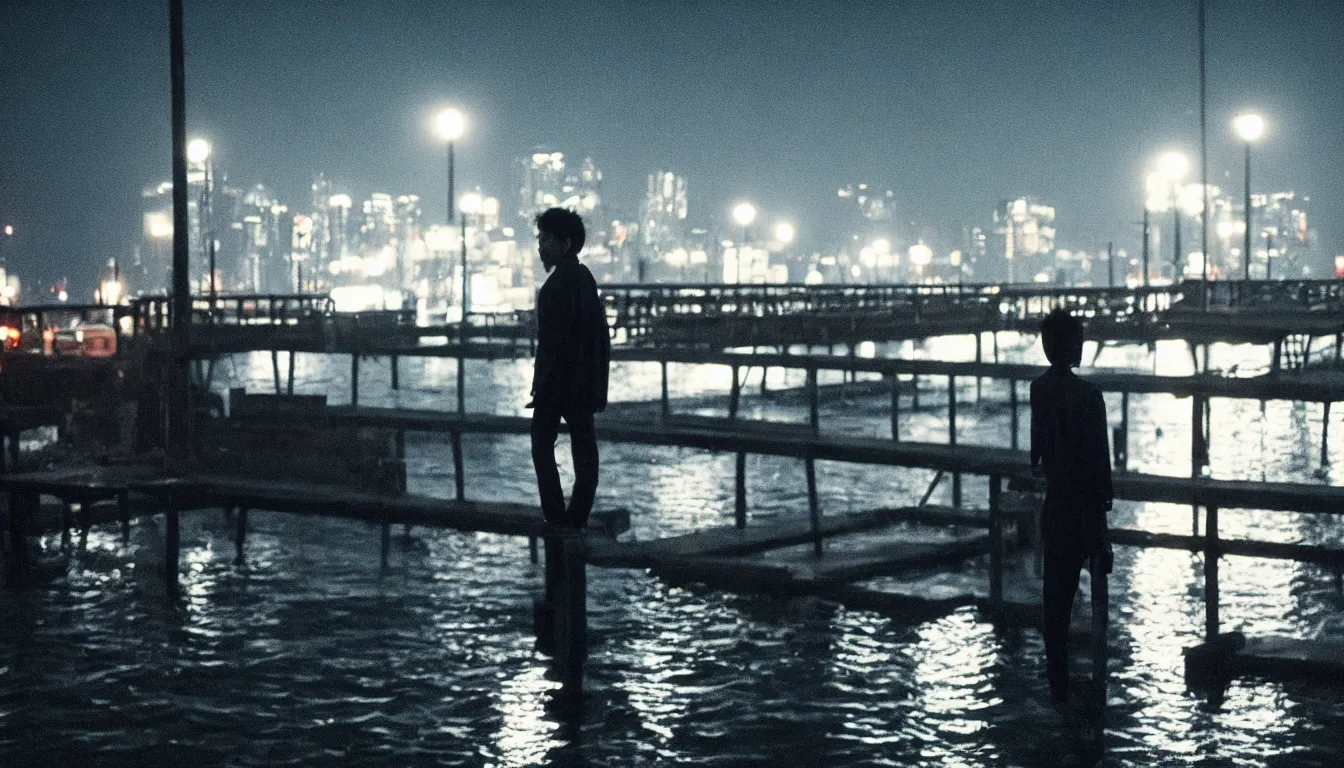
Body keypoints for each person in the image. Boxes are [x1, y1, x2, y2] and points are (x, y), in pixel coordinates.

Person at [1029, 308, 1113, 706]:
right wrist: (1102, 526)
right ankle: (1097, 689)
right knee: (1098, 605)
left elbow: (1036, 455)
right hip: (1084, 513)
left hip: (1055, 507)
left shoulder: (1038, 390)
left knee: (1055, 611)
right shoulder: (1089, 396)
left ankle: (1058, 689)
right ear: (1072, 345)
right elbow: (1099, 464)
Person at [528, 207, 611, 529]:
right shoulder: (583, 278)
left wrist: (543, 385)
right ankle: (576, 515)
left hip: (558, 384)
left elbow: (554, 343)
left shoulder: (557, 286)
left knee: (542, 447)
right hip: (580, 383)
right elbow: (596, 338)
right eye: (539, 239)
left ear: (566, 244)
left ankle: (558, 516)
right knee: (584, 449)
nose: (540, 247)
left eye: (545, 240)